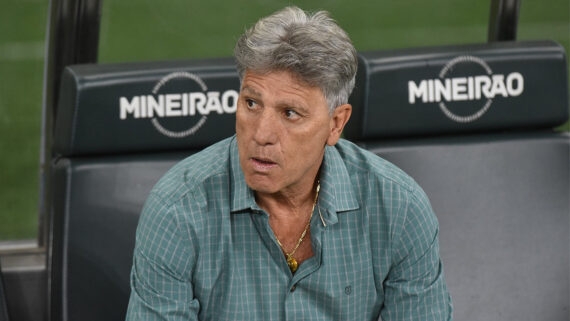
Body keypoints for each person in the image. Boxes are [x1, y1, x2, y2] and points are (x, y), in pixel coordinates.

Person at [126, 6, 452, 321]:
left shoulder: (399, 207)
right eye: (251, 103)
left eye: (290, 113)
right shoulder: (177, 212)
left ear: (336, 124)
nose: (262, 134)